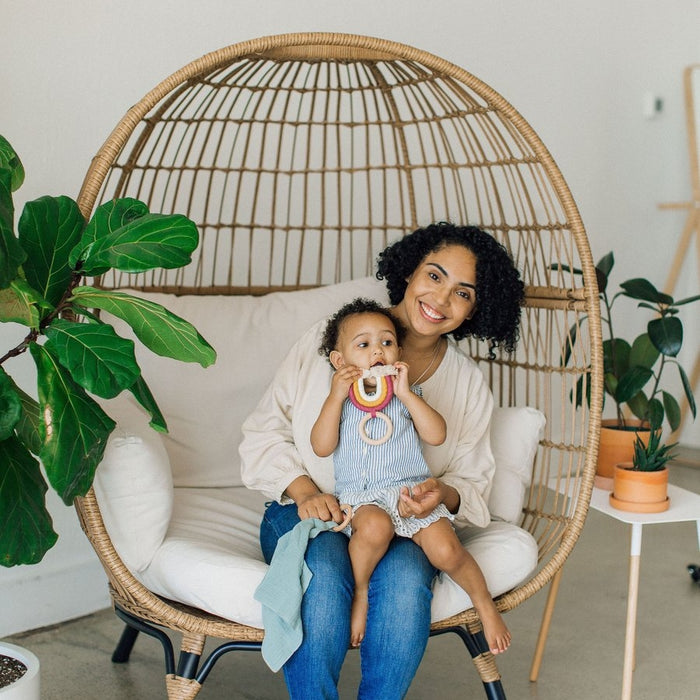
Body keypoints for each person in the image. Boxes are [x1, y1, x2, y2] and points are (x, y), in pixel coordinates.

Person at [240, 222, 524, 700]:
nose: (441, 298)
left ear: (476, 310)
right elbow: (262, 432)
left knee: (409, 582)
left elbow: (470, 481)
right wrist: (306, 493)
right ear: (410, 271)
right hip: (311, 516)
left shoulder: (467, 383)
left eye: (463, 293)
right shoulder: (332, 344)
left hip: (400, 522)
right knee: (323, 577)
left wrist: (442, 493)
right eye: (434, 276)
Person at [310, 298, 511, 652]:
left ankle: (483, 603)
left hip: (410, 495)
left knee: (447, 549)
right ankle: (360, 592)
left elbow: (437, 434)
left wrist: (405, 393)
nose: (378, 352)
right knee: (374, 528)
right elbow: (321, 446)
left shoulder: (406, 395)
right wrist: (334, 397)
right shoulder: (339, 402)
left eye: (387, 343)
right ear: (340, 361)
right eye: (364, 344)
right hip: (365, 497)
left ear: (399, 353)